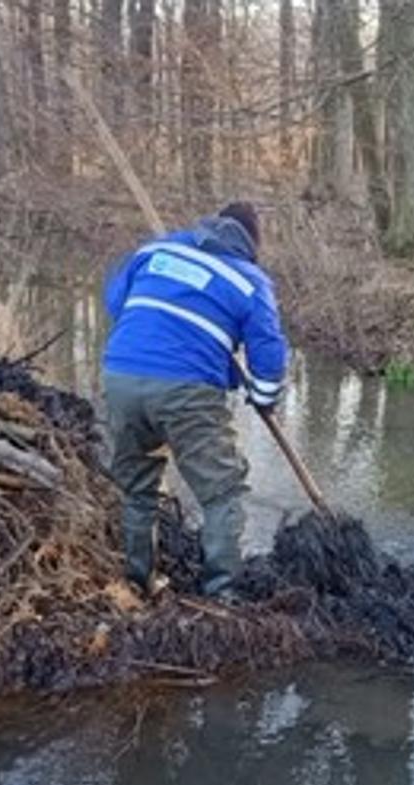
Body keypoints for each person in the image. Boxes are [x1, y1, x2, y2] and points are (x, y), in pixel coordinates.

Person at [100, 202, 287, 597]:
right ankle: (222, 591)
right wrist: (266, 399)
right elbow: (268, 354)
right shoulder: (250, 282)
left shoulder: (154, 251)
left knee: (138, 486)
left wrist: (168, 328)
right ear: (251, 243)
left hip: (120, 374)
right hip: (185, 389)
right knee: (223, 491)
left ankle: (138, 582)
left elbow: (116, 302)